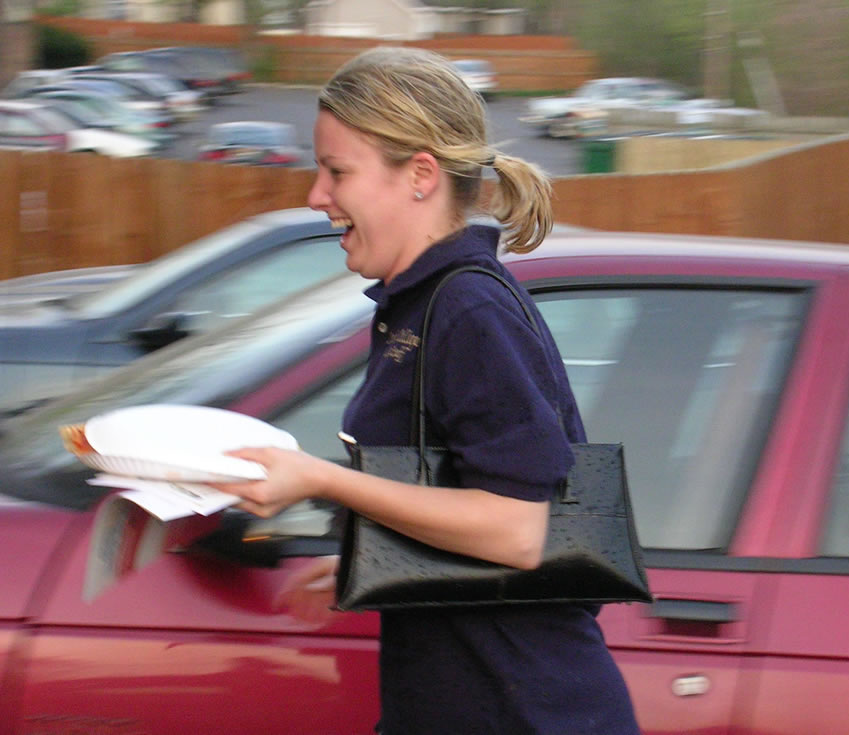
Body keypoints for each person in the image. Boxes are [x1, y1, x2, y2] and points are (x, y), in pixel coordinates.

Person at [215, 46, 642, 735]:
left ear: (420, 175)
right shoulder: (418, 305)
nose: (316, 195)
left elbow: (517, 528)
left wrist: (320, 479)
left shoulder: (468, 310)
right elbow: (452, 489)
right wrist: (374, 556)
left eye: (336, 172)